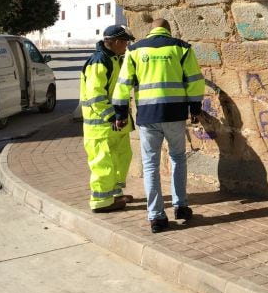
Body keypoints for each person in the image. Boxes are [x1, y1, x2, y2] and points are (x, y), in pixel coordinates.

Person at [112, 19, 205, 233]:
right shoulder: (181, 47)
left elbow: (123, 83)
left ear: (151, 31)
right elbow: (194, 80)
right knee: (178, 158)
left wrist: (120, 113)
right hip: (174, 114)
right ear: (168, 31)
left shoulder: (134, 50)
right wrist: (195, 109)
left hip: (147, 115)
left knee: (150, 165)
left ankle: (156, 217)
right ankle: (181, 206)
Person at [80, 25, 135, 213]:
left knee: (121, 159)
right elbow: (95, 95)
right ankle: (101, 201)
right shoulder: (99, 61)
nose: (127, 46)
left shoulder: (115, 59)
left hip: (114, 124)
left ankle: (115, 194)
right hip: (101, 126)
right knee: (102, 164)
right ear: (117, 42)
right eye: (126, 42)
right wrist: (111, 116)